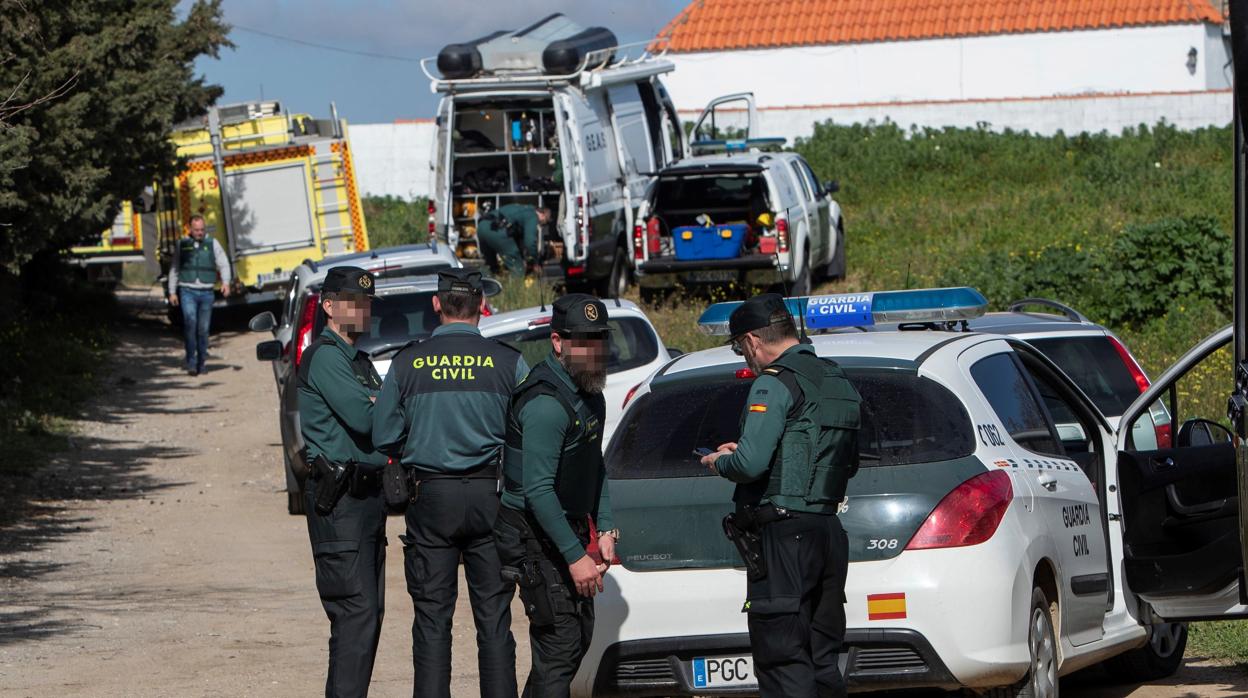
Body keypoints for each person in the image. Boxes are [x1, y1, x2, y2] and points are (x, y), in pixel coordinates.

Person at [372, 268, 529, 698]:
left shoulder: (408, 362)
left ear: (436, 305)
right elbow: (526, 433)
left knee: (432, 620)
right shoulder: (509, 361)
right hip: (491, 499)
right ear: (481, 306)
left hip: (430, 498)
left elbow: (383, 435)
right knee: (494, 618)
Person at [700, 293, 862, 698]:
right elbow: (839, 460)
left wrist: (719, 462)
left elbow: (750, 466)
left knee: (783, 659)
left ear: (753, 341)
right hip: (827, 530)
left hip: (784, 538)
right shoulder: (835, 379)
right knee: (823, 661)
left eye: (740, 348)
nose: (744, 358)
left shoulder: (772, 384)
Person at [494, 293, 619, 697]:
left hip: (561, 527)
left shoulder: (588, 393)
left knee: (576, 638)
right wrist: (575, 556)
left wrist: (606, 527)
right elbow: (538, 490)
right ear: (558, 342)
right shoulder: (546, 403)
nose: (593, 349)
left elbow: (593, 465)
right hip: (533, 532)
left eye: (599, 339)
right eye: (583, 340)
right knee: (560, 645)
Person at [298, 265, 388, 698]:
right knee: (356, 615)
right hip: (341, 504)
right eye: (354, 301)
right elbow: (369, 418)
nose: (362, 309)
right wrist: (381, 402)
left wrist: (381, 402)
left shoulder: (359, 361)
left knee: (368, 617)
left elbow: (385, 412)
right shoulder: (326, 356)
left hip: (367, 500)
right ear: (330, 306)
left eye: (367, 302)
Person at [167, 214, 231, 375]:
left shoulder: (212, 243)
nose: (200, 233)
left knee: (203, 329)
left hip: (206, 293)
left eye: (202, 229)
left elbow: (223, 263)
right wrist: (172, 291)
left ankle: (202, 363)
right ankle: (191, 361)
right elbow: (174, 269)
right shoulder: (181, 244)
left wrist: (226, 282)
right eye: (196, 230)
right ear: (190, 229)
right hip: (187, 291)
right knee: (190, 323)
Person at [476, 204, 551, 277]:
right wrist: (535, 261)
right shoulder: (532, 216)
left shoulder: (522, 208)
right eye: (545, 222)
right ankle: (515, 289)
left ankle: (482, 286)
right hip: (497, 231)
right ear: (542, 214)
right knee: (517, 268)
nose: (541, 224)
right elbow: (530, 242)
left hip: (482, 227)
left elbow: (517, 238)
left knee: (490, 267)